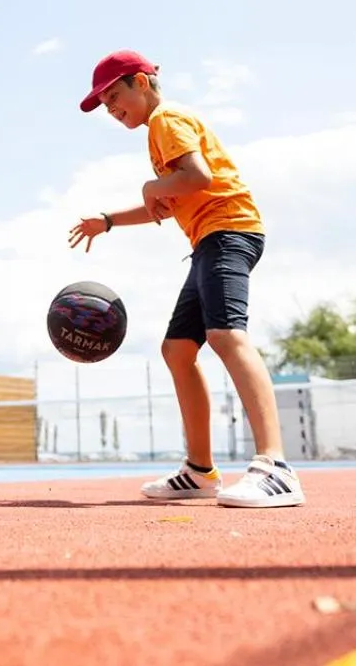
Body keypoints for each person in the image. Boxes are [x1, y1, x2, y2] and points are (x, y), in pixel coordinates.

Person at [68, 50, 305, 508]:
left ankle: (276, 467)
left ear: (142, 82)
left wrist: (151, 187)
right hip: (208, 240)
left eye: (114, 95)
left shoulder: (166, 119)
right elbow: (172, 199)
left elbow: (197, 176)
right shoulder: (159, 133)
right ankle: (199, 471)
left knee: (225, 334)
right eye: (103, 104)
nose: (111, 109)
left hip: (229, 231)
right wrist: (110, 220)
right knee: (177, 349)